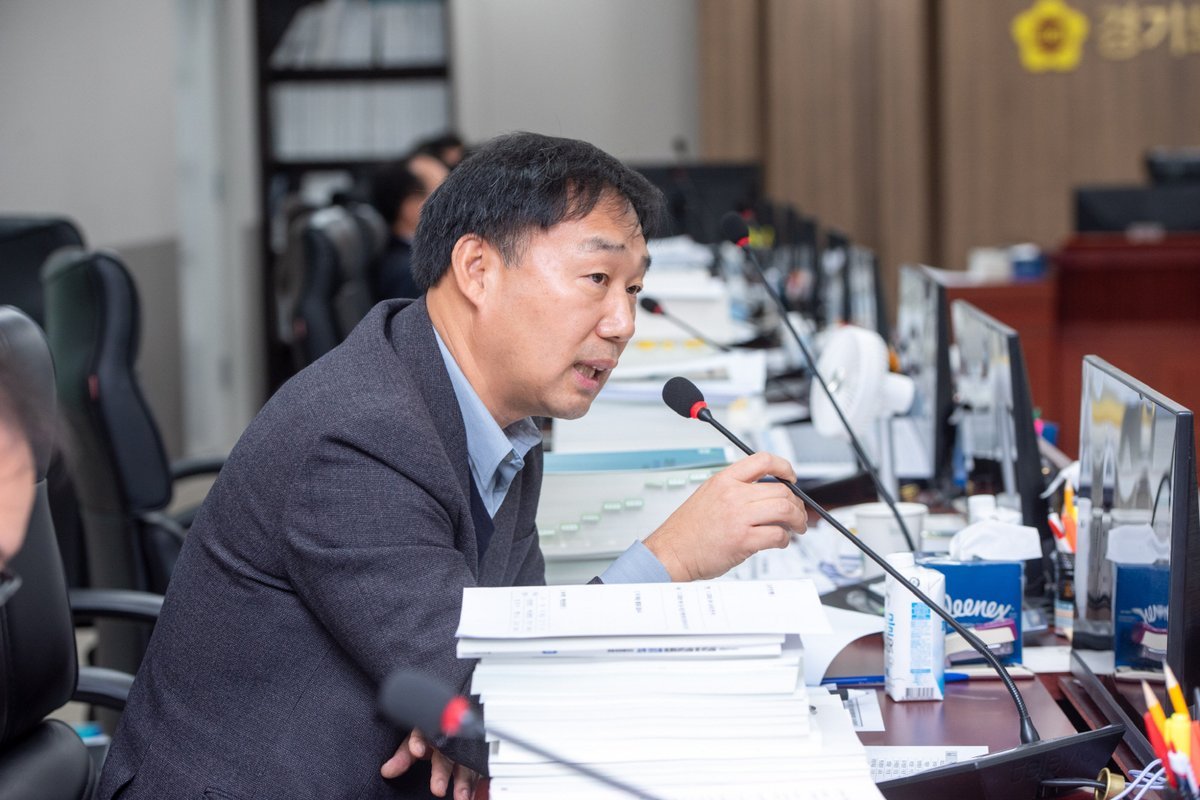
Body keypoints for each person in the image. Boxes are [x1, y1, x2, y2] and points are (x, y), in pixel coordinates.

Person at [96, 132, 807, 800]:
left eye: (632, 290)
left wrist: (467, 715)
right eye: (597, 277)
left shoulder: (500, 416)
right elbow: (500, 710)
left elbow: (517, 653)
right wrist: (670, 559)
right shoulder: (359, 434)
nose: (622, 323)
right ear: (477, 270)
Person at [369, 152, 450, 301]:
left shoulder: (413, 260)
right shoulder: (408, 271)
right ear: (410, 205)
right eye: (440, 195)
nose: (451, 204)